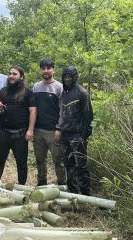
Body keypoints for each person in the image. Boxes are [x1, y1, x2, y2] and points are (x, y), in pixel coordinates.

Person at [0, 66, 36, 184]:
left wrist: (30, 130)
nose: (11, 76)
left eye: (14, 74)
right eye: (10, 74)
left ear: (21, 77)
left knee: (21, 163)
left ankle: (22, 187)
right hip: (3, 133)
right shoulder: (4, 90)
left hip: (20, 134)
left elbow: (33, 111)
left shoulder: (28, 92)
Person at [59, 65, 93, 195]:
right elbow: (62, 114)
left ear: (75, 77)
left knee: (81, 166)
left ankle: (85, 194)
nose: (67, 79)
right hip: (65, 135)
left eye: (69, 77)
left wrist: (84, 136)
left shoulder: (82, 93)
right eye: (65, 77)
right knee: (68, 164)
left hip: (78, 136)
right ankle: (73, 192)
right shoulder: (63, 93)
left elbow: (89, 116)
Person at [33, 59, 66, 186]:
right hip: (38, 131)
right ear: (40, 70)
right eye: (43, 68)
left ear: (53, 69)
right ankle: (42, 184)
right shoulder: (36, 86)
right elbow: (33, 108)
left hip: (54, 131)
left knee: (58, 160)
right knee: (40, 160)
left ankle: (62, 185)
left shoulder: (59, 87)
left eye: (48, 68)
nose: (46, 70)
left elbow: (63, 110)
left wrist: (59, 128)